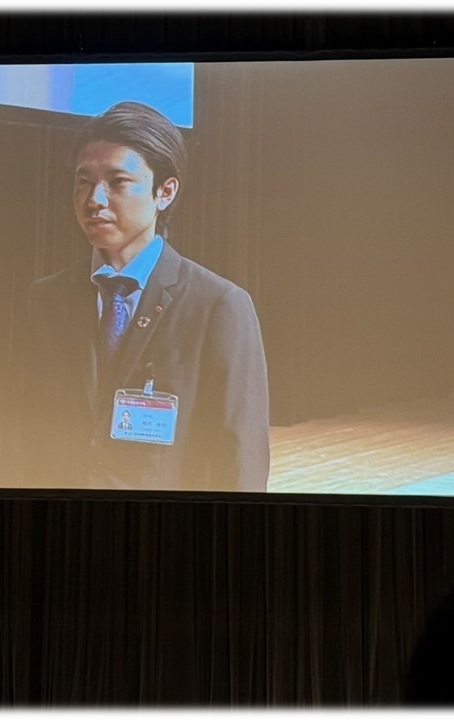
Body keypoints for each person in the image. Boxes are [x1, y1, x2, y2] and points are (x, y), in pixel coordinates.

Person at [23, 101, 270, 491]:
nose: (94, 199)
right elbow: (21, 433)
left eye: (118, 182)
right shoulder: (47, 300)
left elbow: (240, 459)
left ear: (165, 192)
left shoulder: (217, 306)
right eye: (83, 181)